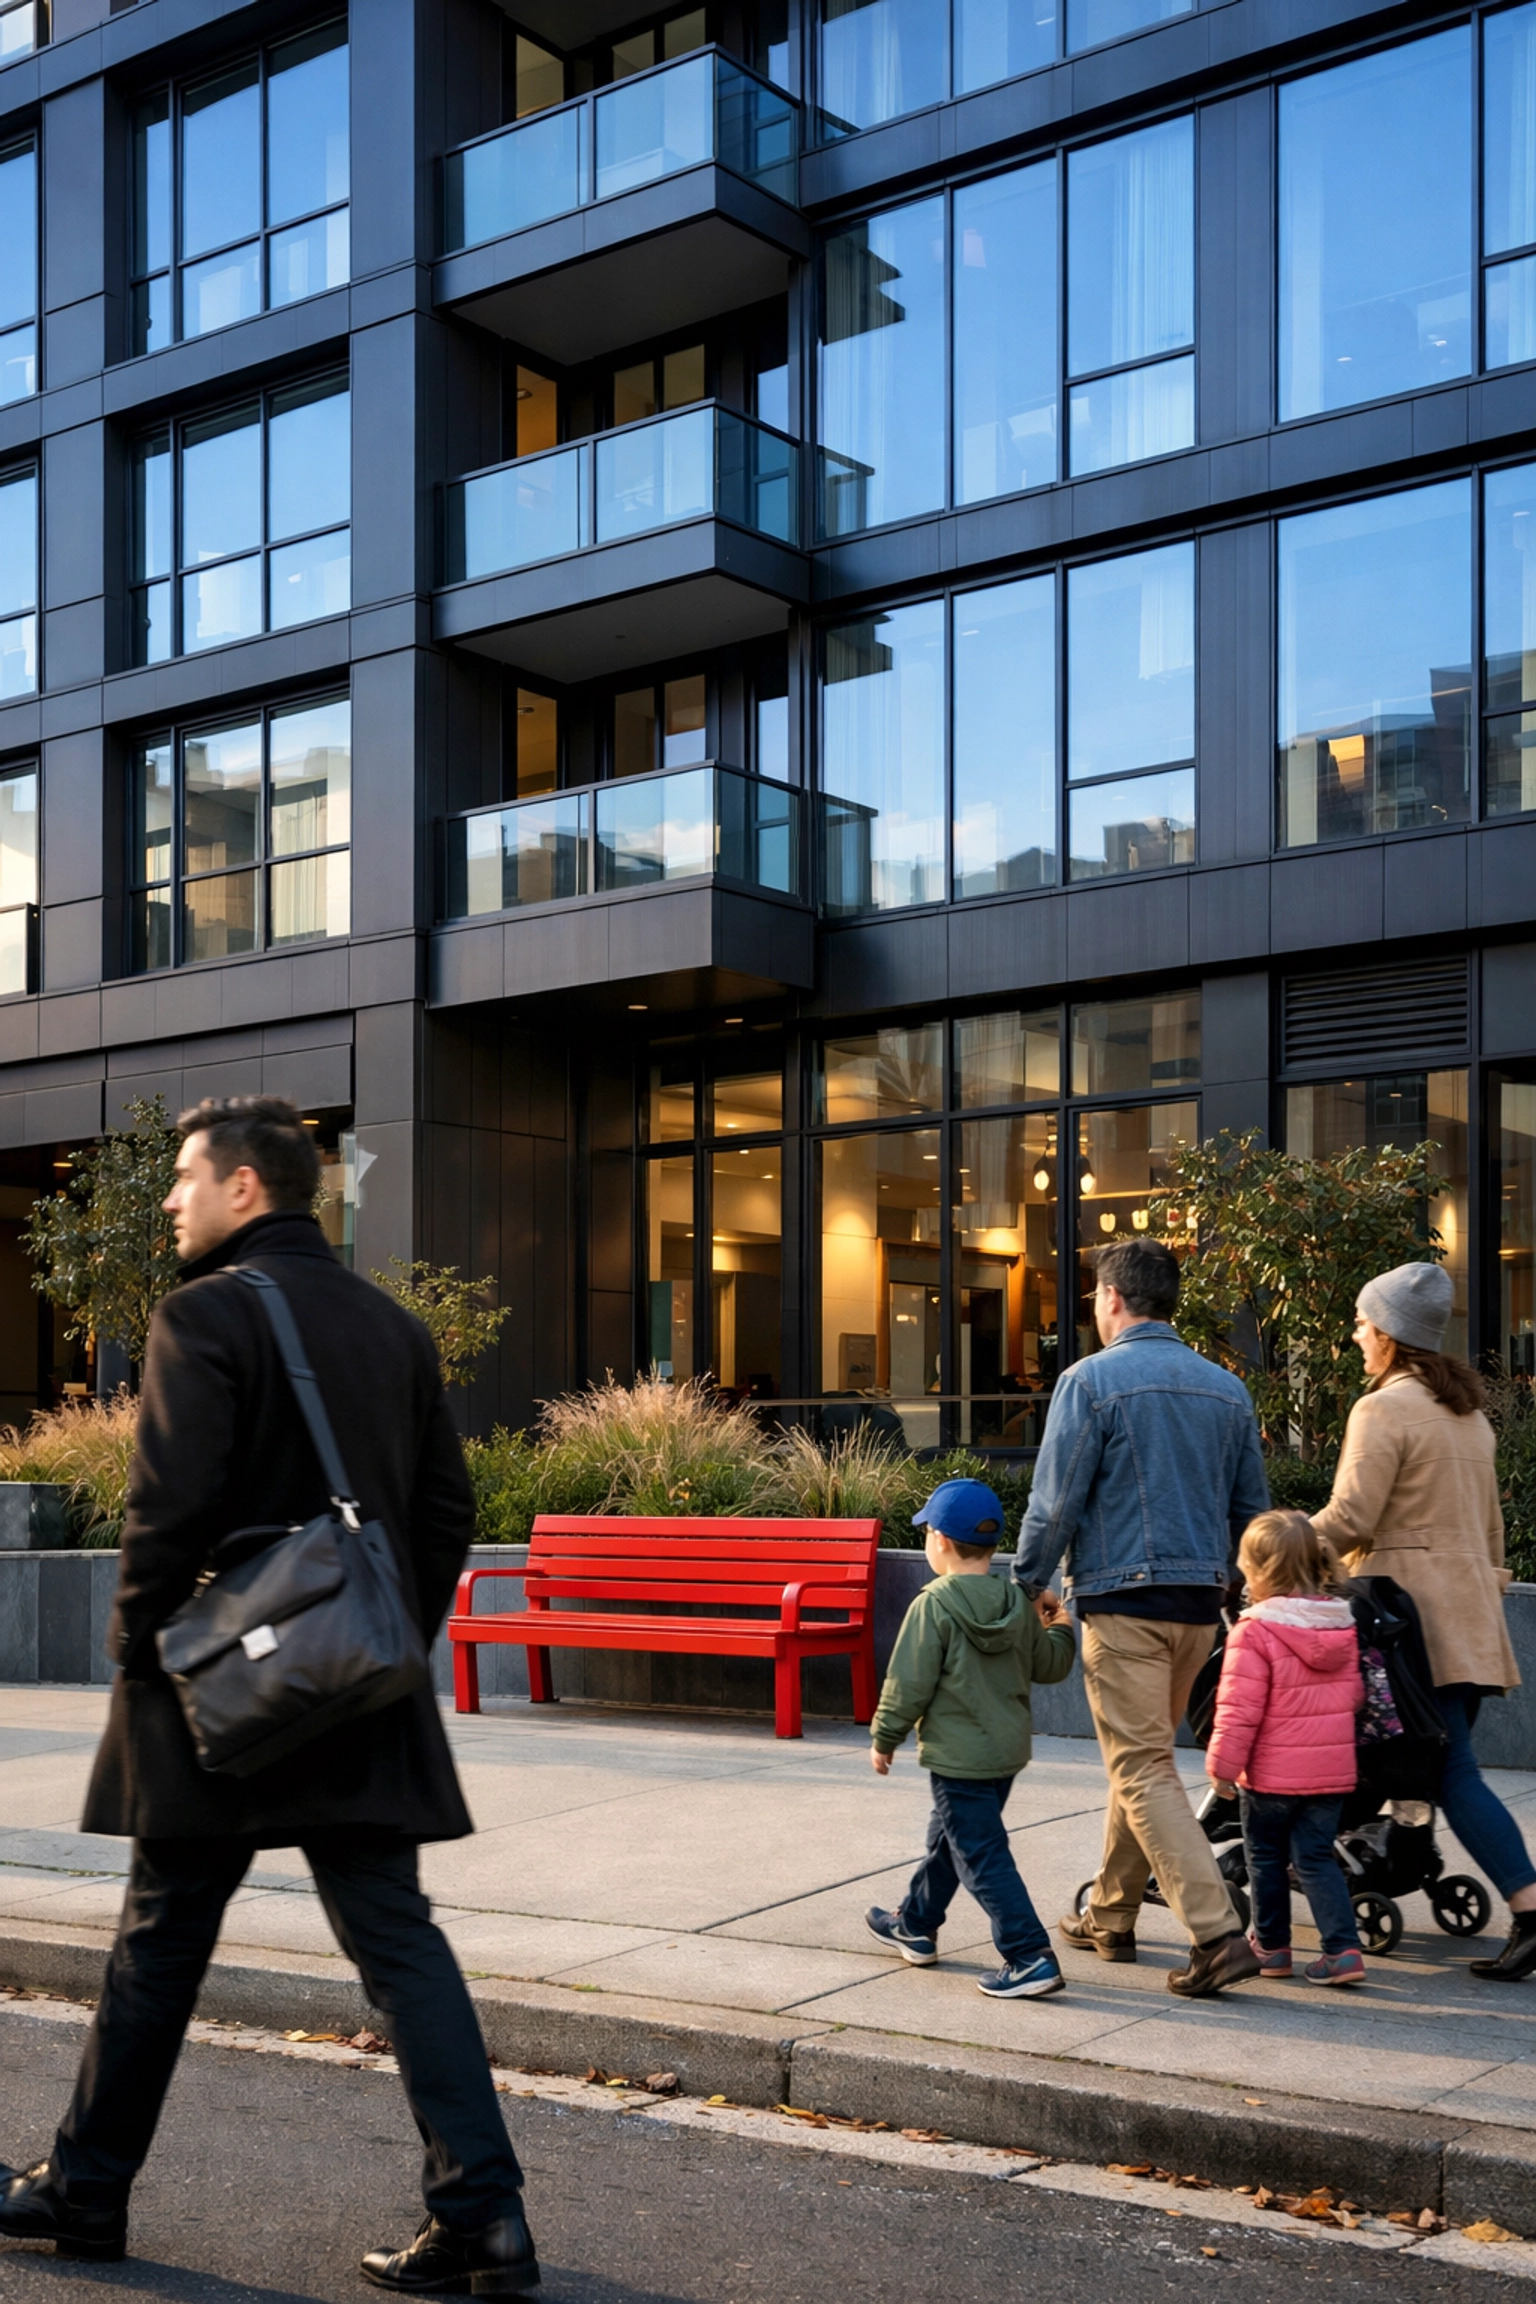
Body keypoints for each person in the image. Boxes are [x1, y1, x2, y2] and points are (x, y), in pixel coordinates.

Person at [0, 1096, 540, 2294]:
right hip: (360, 1687)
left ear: (247, 1188)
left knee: (161, 1942)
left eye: (187, 1177)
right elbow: (448, 1513)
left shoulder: (201, 1317)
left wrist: (139, 1644)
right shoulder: (392, 1327)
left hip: (221, 1689)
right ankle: (484, 2218)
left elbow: (169, 1507)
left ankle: (86, 2190)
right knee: (400, 1945)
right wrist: (374, 1634)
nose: (173, 1199)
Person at [1014, 1238, 1270, 1998]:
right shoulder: (1227, 1390)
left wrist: (1027, 1582)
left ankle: (1218, 1933)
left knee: (1142, 1765)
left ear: (1113, 1300)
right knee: (1148, 1759)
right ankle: (1111, 1914)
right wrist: (1243, 1594)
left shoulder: (1089, 1381)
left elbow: (1054, 1500)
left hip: (1123, 1605)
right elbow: (1252, 1513)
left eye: (1095, 1297)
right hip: (1200, 1609)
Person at [1310, 1260, 1536, 1982]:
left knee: (1450, 1773)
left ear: (1388, 1333)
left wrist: (1274, 1551)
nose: (1354, 1335)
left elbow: (1350, 1519)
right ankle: (1398, 1867)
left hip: (1409, 1630)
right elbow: (1494, 1535)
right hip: (1469, 1621)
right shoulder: (1468, 1418)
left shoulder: (1383, 1409)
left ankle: (1532, 1910)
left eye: (1359, 1323)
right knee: (1430, 1769)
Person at [864, 1479, 1076, 2000]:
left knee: (979, 1853)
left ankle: (1029, 1955)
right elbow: (1049, 1666)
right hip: (1004, 1755)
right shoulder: (1013, 1601)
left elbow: (908, 1681)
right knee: (953, 1840)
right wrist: (1061, 1621)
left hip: (957, 1757)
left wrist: (885, 1736)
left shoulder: (932, 1605)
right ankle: (916, 1922)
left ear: (937, 1539)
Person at [1205, 1511, 1367, 1987]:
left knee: (1265, 1856)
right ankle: (1343, 1950)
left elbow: (1239, 1710)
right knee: (1315, 1858)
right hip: (1331, 1773)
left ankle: (1272, 1947)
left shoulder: (1253, 1631)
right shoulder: (1341, 1623)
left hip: (1273, 1777)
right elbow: (1355, 1696)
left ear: (1256, 1572)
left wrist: (1222, 1767)